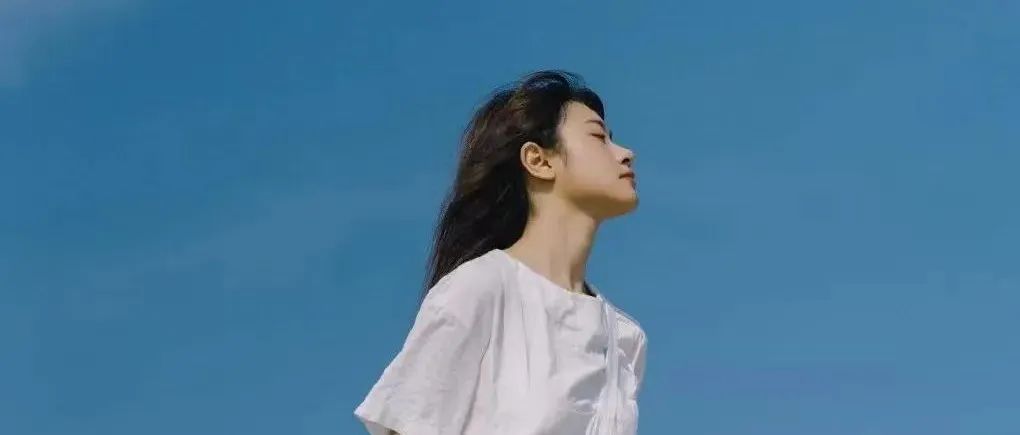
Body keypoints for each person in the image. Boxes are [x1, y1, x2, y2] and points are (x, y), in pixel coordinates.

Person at [354, 70, 647, 435]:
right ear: (539, 160)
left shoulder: (624, 338)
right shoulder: (482, 287)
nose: (626, 154)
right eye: (599, 137)